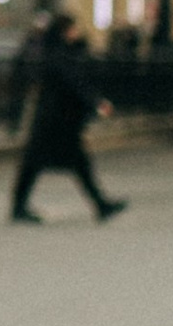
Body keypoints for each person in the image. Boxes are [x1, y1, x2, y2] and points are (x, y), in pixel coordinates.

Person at [9, 13, 126, 223]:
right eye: (72, 29)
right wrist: (96, 103)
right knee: (39, 163)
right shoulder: (58, 54)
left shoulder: (59, 51)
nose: (76, 32)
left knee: (59, 162)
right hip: (56, 120)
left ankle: (100, 204)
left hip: (57, 119)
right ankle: (100, 204)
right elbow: (74, 83)